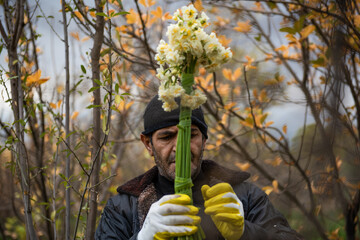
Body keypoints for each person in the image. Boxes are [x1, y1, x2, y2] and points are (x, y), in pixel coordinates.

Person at [95, 95, 303, 240]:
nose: (180, 147)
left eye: (191, 135)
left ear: (204, 140)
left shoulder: (245, 196)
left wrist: (245, 232)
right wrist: (143, 238)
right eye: (166, 137)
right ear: (148, 144)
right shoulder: (123, 207)